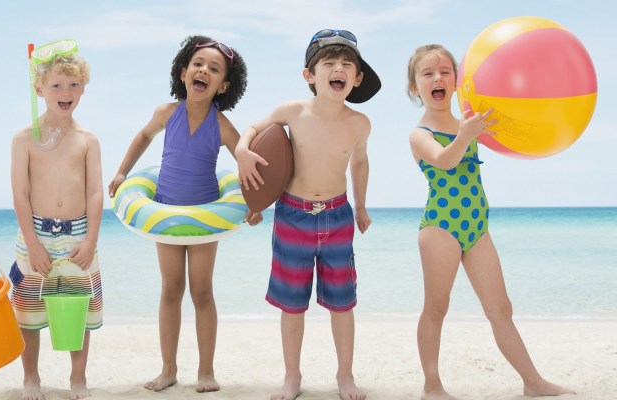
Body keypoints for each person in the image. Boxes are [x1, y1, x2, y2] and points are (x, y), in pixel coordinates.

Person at [406, 44, 575, 400]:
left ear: (457, 80)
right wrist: (467, 134)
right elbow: (445, 160)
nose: (438, 77)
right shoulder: (420, 133)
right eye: (427, 73)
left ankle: (533, 382)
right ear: (414, 88)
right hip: (441, 227)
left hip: (477, 226)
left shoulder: (469, 120)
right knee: (437, 307)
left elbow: (511, 130)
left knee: (501, 308)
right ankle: (431, 386)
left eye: (445, 71)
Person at [236, 29, 380, 400]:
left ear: (357, 79)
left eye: (347, 65)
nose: (339, 70)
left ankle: (345, 375)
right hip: (292, 216)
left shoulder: (359, 124)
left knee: (342, 303)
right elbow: (254, 128)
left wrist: (361, 206)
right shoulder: (293, 112)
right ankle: (292, 377)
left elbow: (360, 164)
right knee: (292, 305)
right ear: (309, 75)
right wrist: (242, 151)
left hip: (337, 216)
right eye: (329, 64)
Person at [107, 35, 257, 393]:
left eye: (215, 69)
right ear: (184, 71)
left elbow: (246, 164)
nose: (204, 70)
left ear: (224, 85)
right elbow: (143, 137)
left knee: (202, 292)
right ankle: (169, 368)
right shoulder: (167, 113)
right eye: (198, 64)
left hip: (205, 216)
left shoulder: (222, 126)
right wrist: (121, 172)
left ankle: (206, 370)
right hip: (166, 213)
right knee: (171, 290)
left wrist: (256, 204)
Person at [9, 39, 104, 400]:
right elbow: (20, 194)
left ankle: (77, 378)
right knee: (28, 312)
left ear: (83, 88)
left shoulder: (87, 139)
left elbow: (95, 193)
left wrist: (91, 239)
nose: (66, 92)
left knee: (78, 311)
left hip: (79, 235)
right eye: (57, 85)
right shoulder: (24, 139)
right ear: (39, 88)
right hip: (36, 236)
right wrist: (33, 245)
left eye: (74, 85)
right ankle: (30, 377)